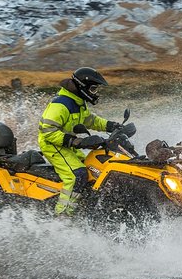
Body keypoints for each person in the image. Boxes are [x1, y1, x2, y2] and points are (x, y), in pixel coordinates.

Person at [38, 67, 122, 216]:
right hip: (53, 145)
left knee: (92, 167)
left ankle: (83, 206)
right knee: (77, 175)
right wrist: (75, 141)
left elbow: (90, 120)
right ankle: (63, 215)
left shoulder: (78, 102)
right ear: (83, 86)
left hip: (66, 144)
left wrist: (110, 125)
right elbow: (47, 131)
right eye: (94, 89)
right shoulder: (61, 104)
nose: (95, 93)